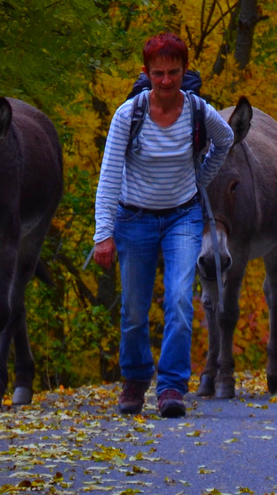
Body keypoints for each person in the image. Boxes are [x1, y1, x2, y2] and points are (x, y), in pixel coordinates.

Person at [93, 33, 233, 417]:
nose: (167, 81)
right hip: (134, 219)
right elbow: (109, 176)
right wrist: (103, 233)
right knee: (135, 310)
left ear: (184, 71)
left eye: (174, 72)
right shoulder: (129, 115)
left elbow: (226, 140)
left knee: (179, 301)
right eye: (158, 73)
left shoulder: (199, 112)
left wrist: (201, 179)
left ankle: (171, 386)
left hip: (182, 218)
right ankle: (136, 379)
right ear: (147, 73)